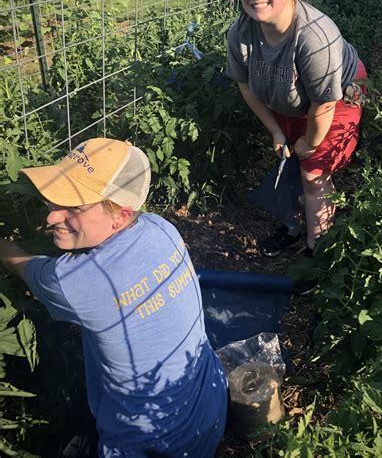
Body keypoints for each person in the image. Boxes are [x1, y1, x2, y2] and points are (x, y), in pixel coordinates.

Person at [0, 138, 227, 458]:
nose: (51, 217)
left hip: (153, 446)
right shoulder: (161, 228)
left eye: (73, 207)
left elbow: (20, 264)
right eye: (55, 199)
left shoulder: (74, 281)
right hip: (209, 407)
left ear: (120, 215)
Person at [226, 0, 367, 258]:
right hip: (289, 95)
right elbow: (246, 87)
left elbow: (325, 102)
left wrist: (312, 143)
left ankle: (317, 254)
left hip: (337, 95)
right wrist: (277, 131)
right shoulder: (240, 33)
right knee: (289, 154)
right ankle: (291, 229)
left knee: (314, 172)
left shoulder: (315, 36)